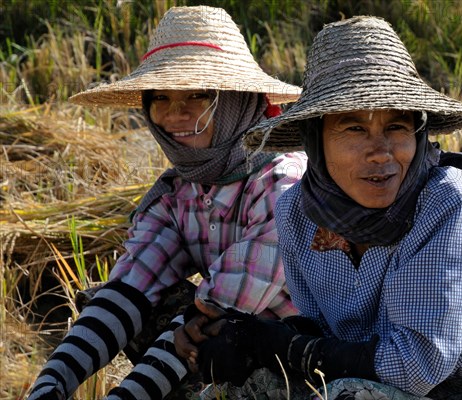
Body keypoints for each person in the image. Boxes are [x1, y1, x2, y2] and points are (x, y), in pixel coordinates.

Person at [175, 16, 462, 400]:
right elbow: (328, 333)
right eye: (354, 128)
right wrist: (249, 337)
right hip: (379, 379)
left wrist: (288, 347)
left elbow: (416, 366)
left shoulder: (449, 202)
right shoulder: (296, 211)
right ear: (316, 140)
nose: (380, 153)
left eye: (397, 127)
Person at [27, 5, 306, 400]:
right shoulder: (180, 191)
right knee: (111, 302)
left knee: (210, 329)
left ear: (236, 102)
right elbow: (131, 286)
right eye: (161, 97)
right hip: (225, 336)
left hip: (302, 357)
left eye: (198, 94)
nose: (176, 113)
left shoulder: (282, 185)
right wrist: (48, 386)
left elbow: (212, 314)